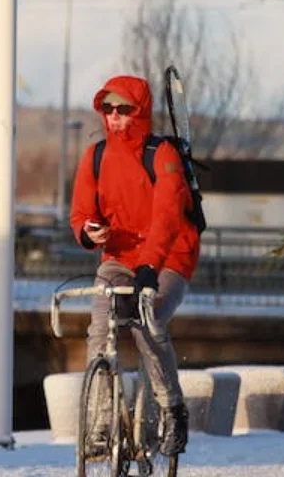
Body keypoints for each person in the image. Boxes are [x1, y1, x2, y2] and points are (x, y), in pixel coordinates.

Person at [69, 74, 200, 456]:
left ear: (140, 112)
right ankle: (101, 423)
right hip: (119, 257)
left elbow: (167, 219)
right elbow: (80, 212)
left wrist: (149, 269)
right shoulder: (95, 155)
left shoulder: (162, 155)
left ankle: (173, 409)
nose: (114, 117)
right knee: (99, 328)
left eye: (123, 109)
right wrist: (87, 231)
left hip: (171, 255)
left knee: (147, 322)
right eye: (107, 109)